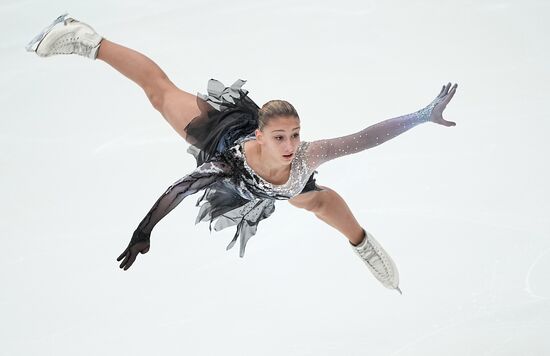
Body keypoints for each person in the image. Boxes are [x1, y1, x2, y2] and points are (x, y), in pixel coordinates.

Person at [26, 13, 458, 295]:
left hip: (281, 185)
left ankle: (362, 243)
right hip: (221, 137)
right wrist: (145, 229)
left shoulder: (305, 156)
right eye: (280, 138)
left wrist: (423, 115)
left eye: (295, 135)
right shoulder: (229, 161)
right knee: (160, 94)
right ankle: (83, 38)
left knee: (318, 199)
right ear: (261, 135)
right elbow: (180, 188)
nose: (290, 147)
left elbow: (366, 137)